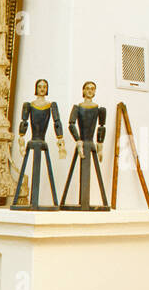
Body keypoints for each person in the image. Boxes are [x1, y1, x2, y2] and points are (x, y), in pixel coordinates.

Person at [11, 79, 64, 210]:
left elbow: (57, 122)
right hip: (33, 139)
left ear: (47, 89)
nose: (42, 89)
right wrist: (21, 140)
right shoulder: (29, 105)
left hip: (42, 139)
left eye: (44, 87)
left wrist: (60, 140)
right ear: (36, 88)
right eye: (40, 86)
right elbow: (24, 123)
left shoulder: (51, 105)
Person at [62, 80, 110, 210]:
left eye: (92, 88)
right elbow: (71, 124)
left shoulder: (99, 109)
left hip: (91, 143)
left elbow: (101, 126)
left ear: (95, 92)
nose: (90, 90)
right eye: (87, 88)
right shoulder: (77, 108)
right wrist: (78, 140)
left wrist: (100, 146)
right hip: (82, 143)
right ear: (83, 91)